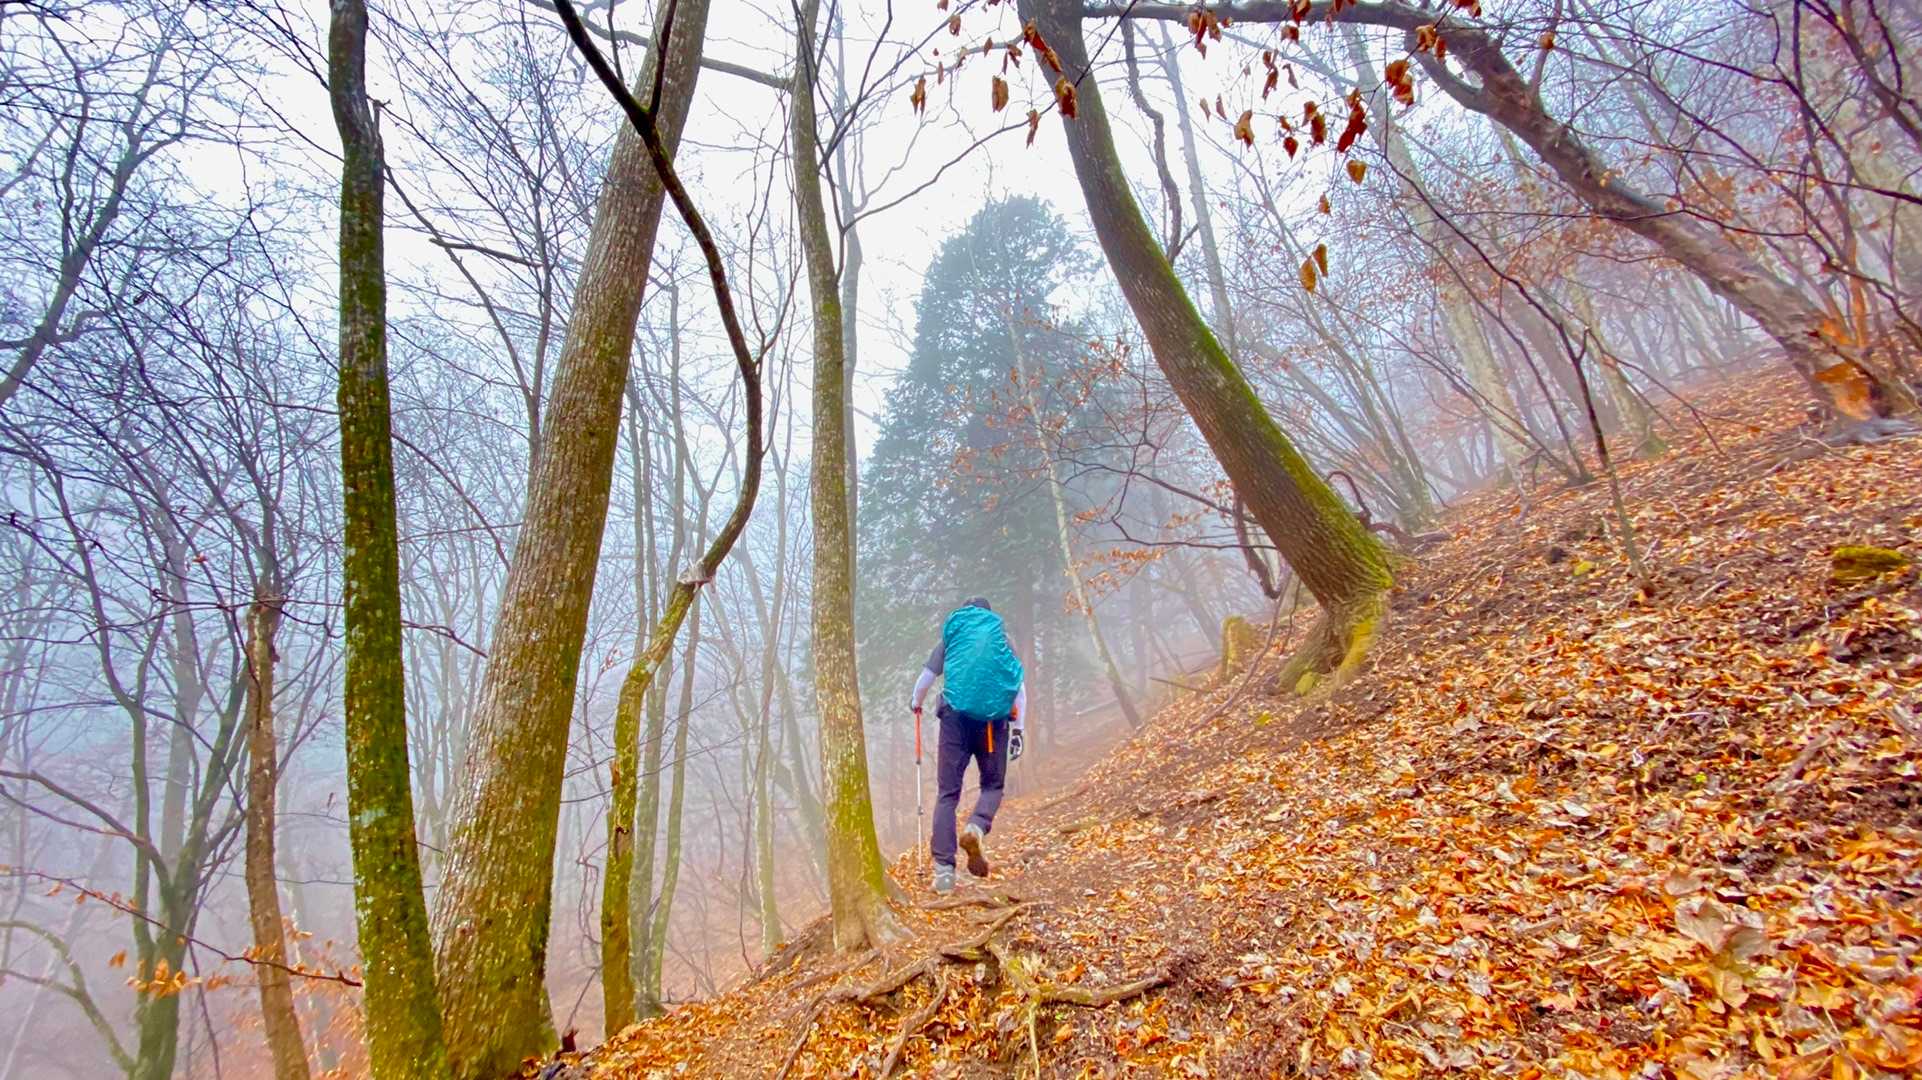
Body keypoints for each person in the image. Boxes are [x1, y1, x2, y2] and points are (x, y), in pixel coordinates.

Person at [909, 597, 1026, 895]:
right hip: (992, 725)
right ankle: (976, 826)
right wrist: (1018, 731)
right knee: (993, 786)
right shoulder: (1002, 640)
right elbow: (1019, 689)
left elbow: (926, 679)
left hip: (955, 721)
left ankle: (944, 873)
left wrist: (916, 703)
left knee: (948, 794)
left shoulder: (952, 637)